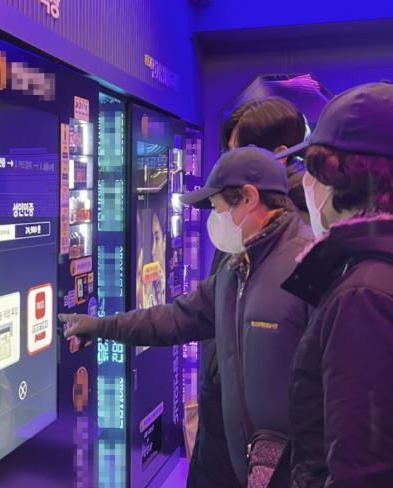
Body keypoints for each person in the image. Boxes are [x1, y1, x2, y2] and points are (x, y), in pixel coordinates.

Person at [61, 146, 313, 488]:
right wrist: (101, 326)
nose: (215, 220)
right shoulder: (236, 269)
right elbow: (176, 318)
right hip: (245, 464)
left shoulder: (305, 264)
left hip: (293, 470)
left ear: (249, 198)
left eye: (218, 208)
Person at [189, 96, 312, 488]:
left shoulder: (304, 236)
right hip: (222, 418)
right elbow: (210, 305)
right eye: (228, 152)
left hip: (259, 442)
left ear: (281, 153)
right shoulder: (242, 222)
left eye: (240, 151)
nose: (230, 163)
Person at [276, 81, 393, 487]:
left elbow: (360, 467)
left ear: (344, 177)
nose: (306, 185)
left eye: (313, 171)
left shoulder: (364, 295)